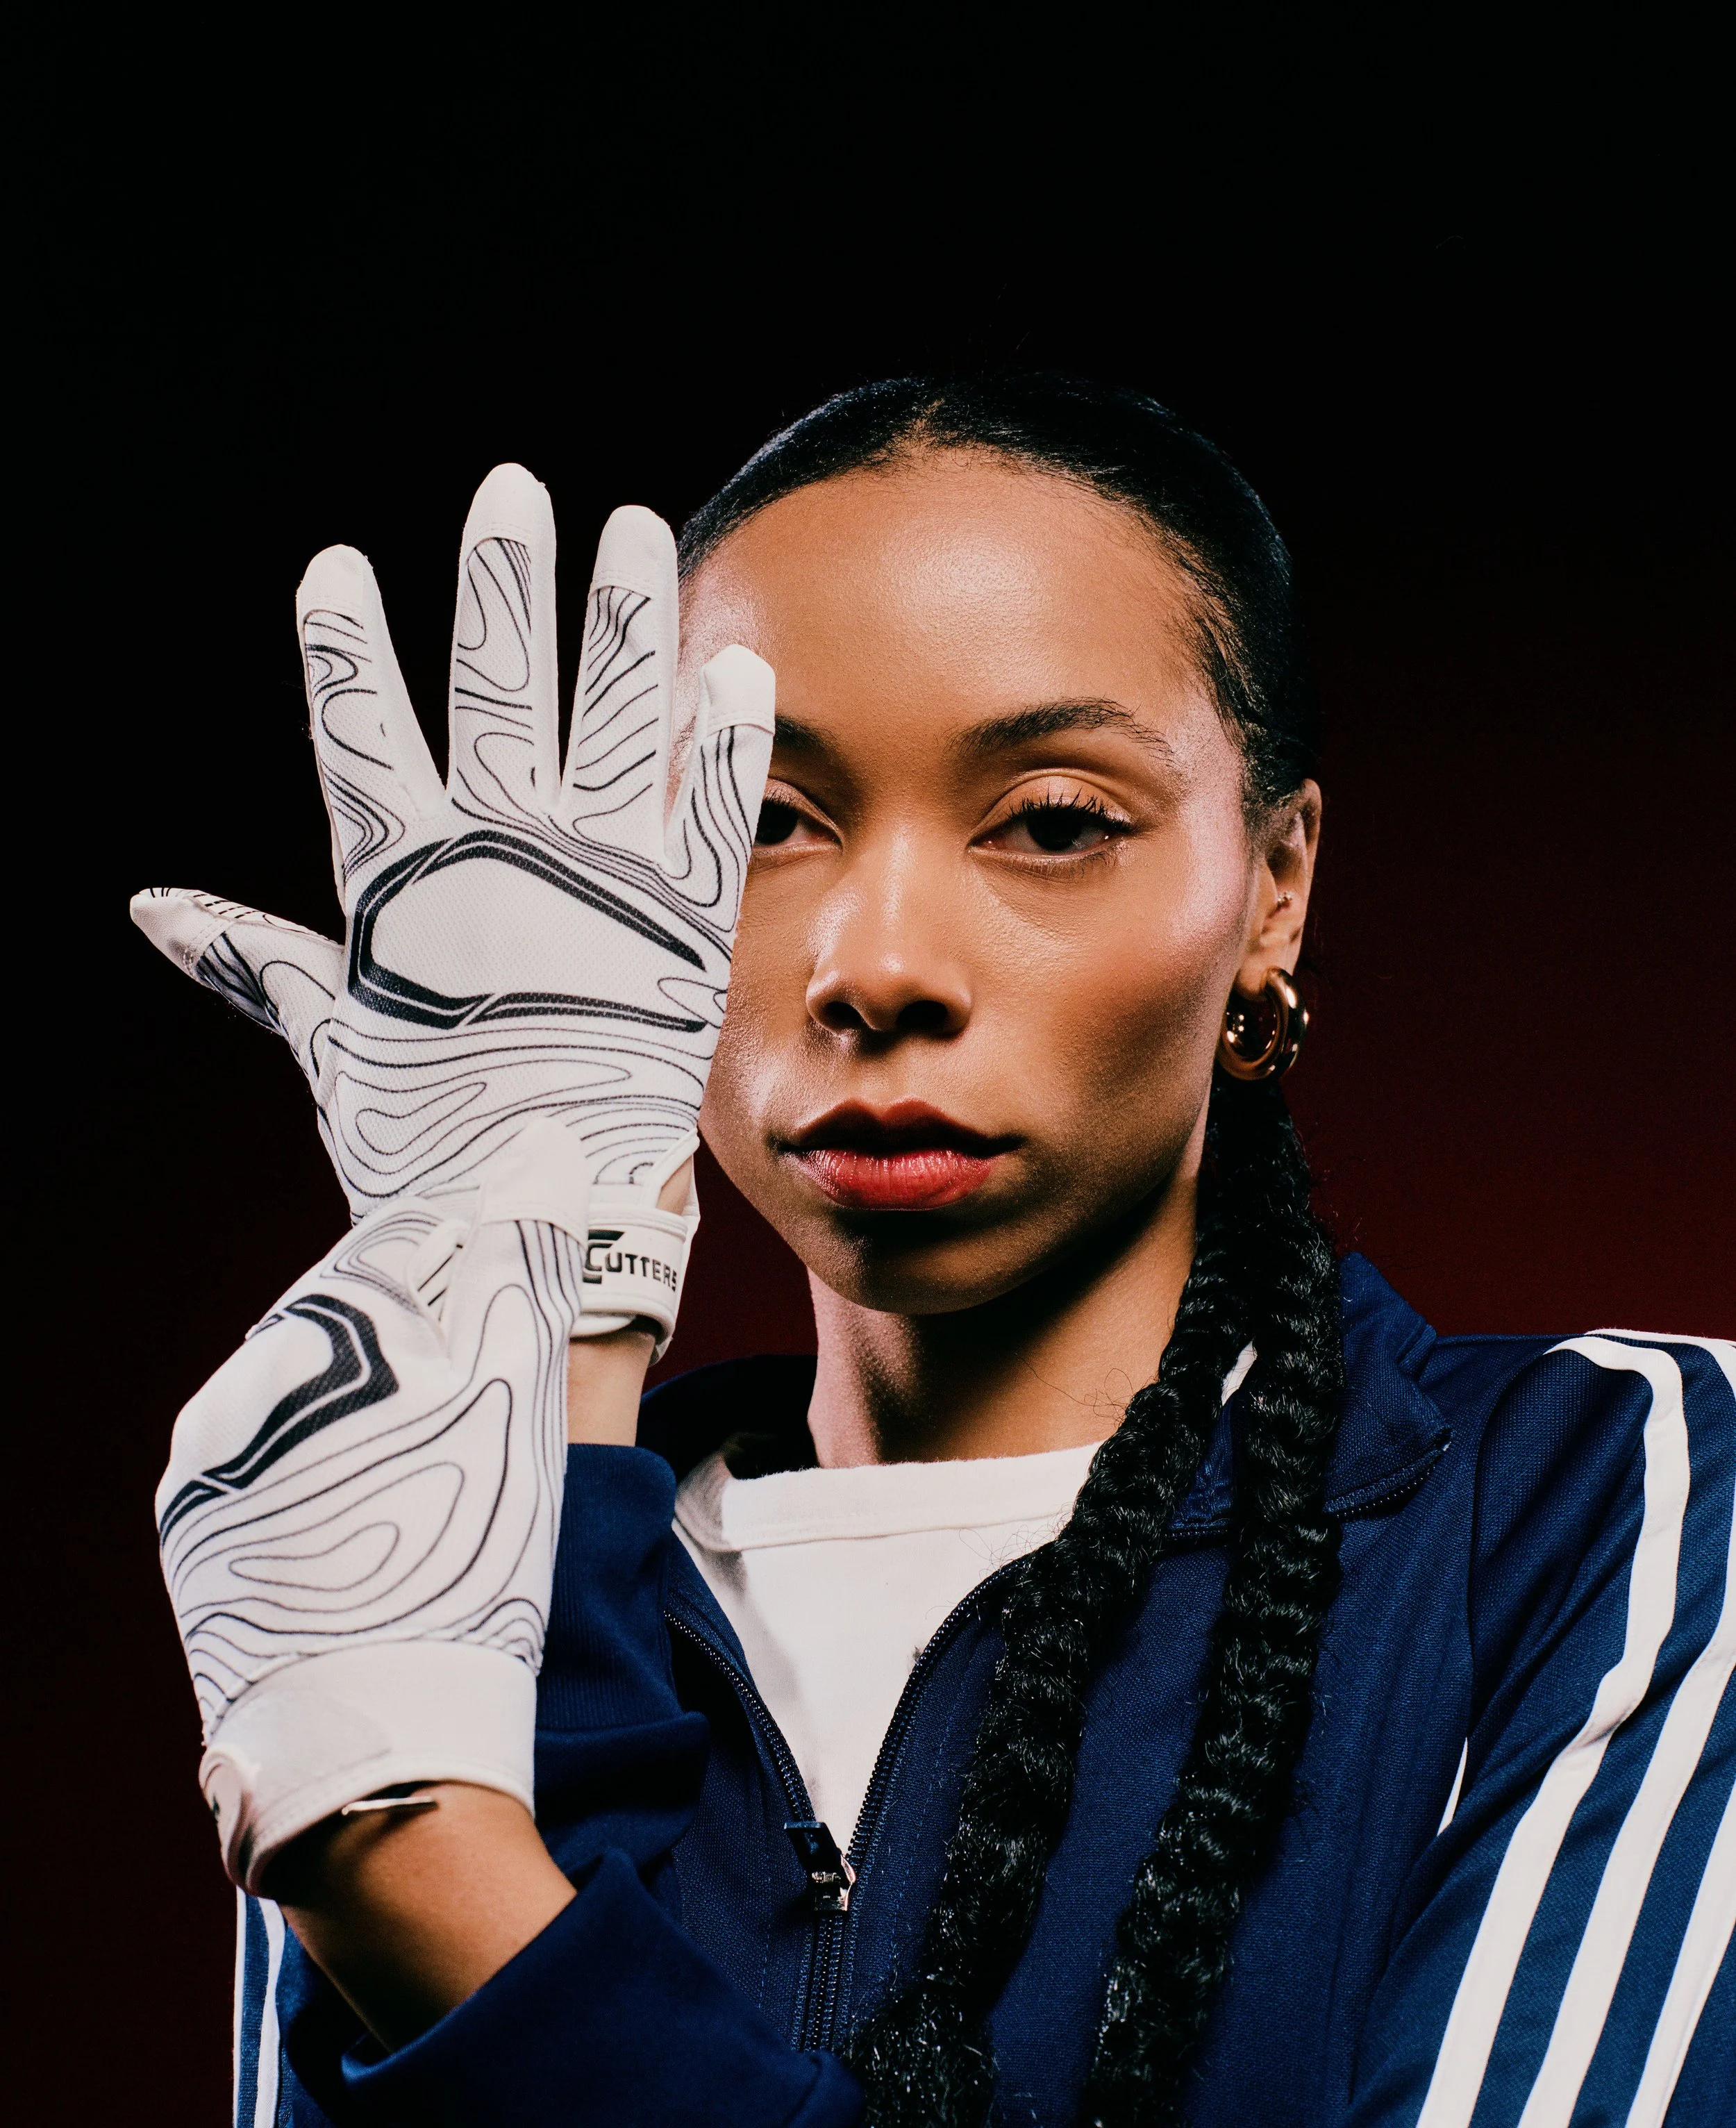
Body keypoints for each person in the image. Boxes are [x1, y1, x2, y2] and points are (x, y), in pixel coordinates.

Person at [133, 377, 1733, 2127]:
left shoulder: (1616, 1497)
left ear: (1274, 882)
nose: (875, 964)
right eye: (759, 817)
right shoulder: (402, 1591)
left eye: (1051, 820)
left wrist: (437, 1893)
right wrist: (554, 1335)